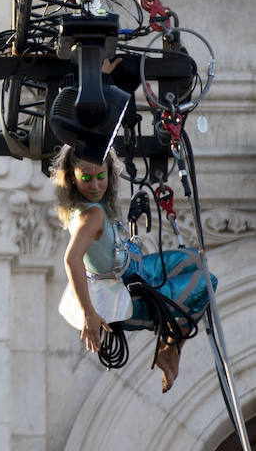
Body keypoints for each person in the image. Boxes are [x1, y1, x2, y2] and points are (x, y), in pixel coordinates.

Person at [54, 144, 215, 393]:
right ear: (72, 178)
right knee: (207, 281)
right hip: (126, 293)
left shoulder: (84, 207)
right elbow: (71, 259)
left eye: (101, 177)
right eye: (86, 178)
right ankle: (172, 346)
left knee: (194, 258)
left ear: (110, 174)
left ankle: (172, 338)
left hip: (136, 270)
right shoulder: (91, 217)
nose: (95, 186)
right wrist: (89, 313)